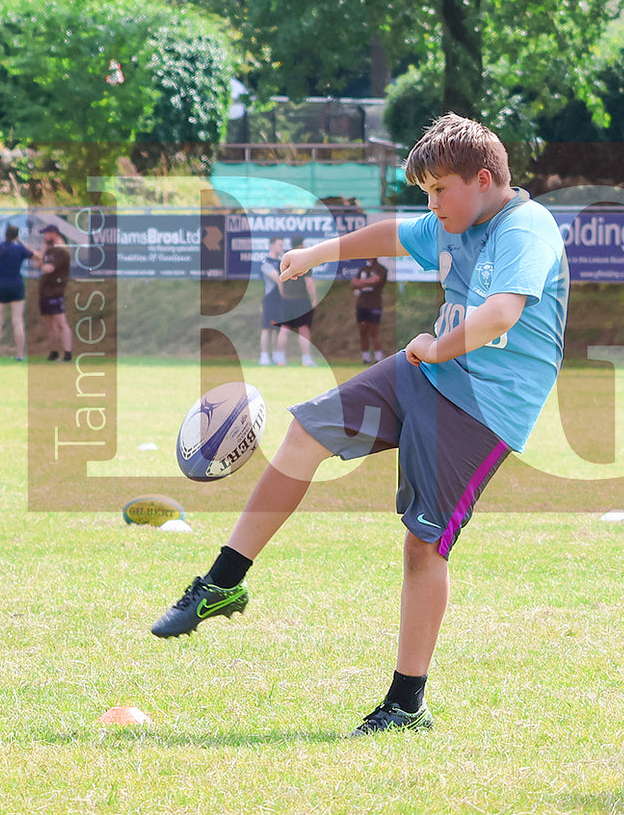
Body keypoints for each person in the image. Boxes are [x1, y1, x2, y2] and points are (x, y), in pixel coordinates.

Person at [150, 113, 569, 736]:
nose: (431, 206)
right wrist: (315, 253)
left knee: (423, 545)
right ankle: (223, 581)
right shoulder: (454, 220)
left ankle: (406, 703)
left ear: (484, 179)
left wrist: (437, 347)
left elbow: (501, 315)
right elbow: (395, 234)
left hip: (484, 409)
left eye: (439, 191)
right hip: (424, 375)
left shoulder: (525, 228)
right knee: (305, 433)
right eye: (425, 192)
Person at [0, 223, 30, 361]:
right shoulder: (19, 249)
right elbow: (37, 256)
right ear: (16, 236)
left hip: (0, 286)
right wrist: (21, 242)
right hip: (16, 285)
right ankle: (19, 355)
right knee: (17, 321)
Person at [274, 235, 318, 367]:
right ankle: (306, 359)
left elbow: (280, 280)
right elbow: (309, 282)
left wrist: (283, 295)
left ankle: (280, 358)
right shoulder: (304, 260)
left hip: (287, 299)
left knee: (284, 328)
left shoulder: (285, 260)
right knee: (303, 329)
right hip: (301, 299)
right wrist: (314, 299)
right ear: (301, 244)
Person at [36, 223, 73, 361]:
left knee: (60, 323)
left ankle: (68, 353)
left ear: (54, 233)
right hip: (44, 292)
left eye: (46, 234)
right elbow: (37, 263)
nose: (44, 237)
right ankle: (54, 352)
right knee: (49, 325)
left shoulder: (61, 251)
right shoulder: (50, 250)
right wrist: (43, 248)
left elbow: (48, 268)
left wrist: (42, 264)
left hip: (55, 291)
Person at [351, 256, 389, 364]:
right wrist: (364, 282)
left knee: (374, 332)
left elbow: (375, 280)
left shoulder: (380, 269)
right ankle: (366, 358)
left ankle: (378, 358)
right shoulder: (363, 269)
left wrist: (361, 282)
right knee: (363, 332)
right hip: (361, 305)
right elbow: (353, 283)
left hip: (374, 305)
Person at [258, 236, 285, 365]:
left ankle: (275, 355)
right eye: (280, 245)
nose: (282, 248)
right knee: (266, 328)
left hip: (279, 300)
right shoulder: (266, 262)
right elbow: (278, 280)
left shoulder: (281, 262)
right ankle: (264, 356)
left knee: (276, 328)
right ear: (272, 245)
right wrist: (285, 297)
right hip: (270, 299)